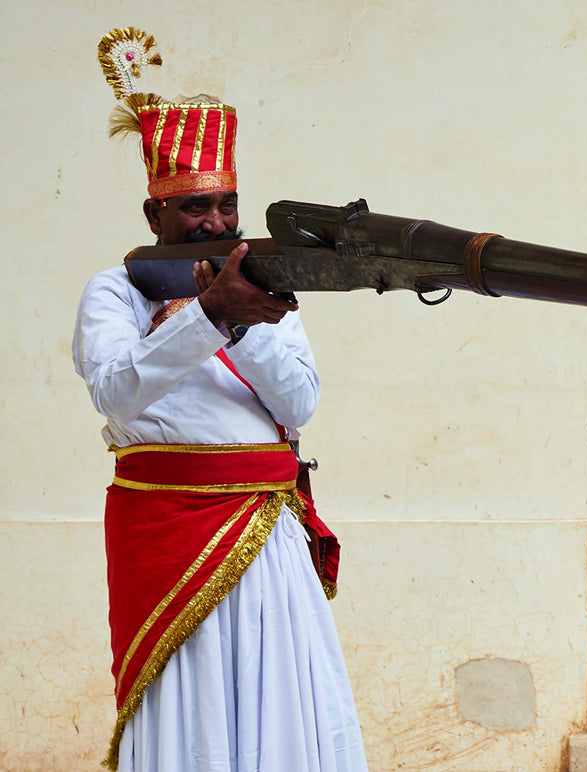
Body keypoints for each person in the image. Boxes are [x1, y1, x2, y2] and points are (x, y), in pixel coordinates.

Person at [75, 28, 366, 771]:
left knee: (285, 721)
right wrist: (208, 316)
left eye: (227, 205)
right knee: (191, 721)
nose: (215, 222)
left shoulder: (267, 285)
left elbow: (298, 404)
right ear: (154, 219)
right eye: (195, 208)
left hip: (266, 535)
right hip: (167, 534)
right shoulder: (114, 291)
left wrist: (239, 317)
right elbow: (117, 397)